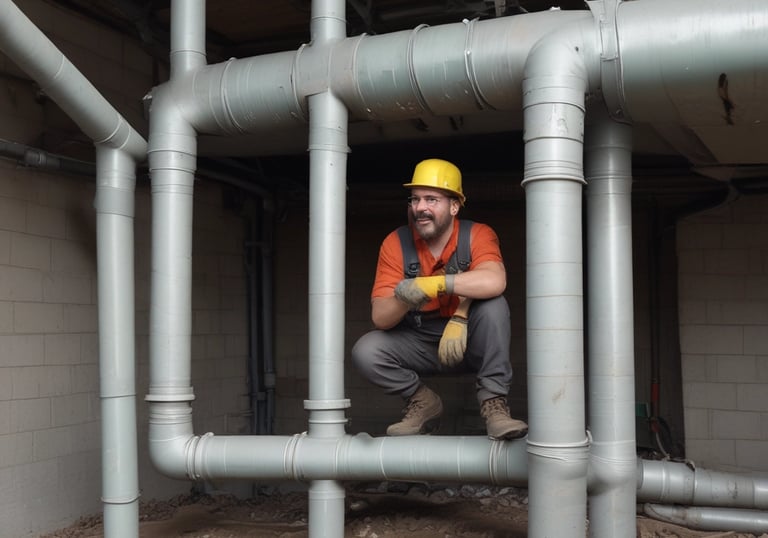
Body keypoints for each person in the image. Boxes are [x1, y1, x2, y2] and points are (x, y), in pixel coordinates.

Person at [351, 158, 528, 440]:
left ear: (454, 206)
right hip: (420, 342)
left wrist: (436, 287)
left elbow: (495, 280)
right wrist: (407, 297)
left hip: (470, 338)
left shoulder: (477, 235)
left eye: (432, 199)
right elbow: (381, 318)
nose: (420, 207)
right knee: (367, 350)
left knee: (494, 305)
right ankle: (423, 403)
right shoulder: (395, 243)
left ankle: (494, 405)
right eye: (415, 199)